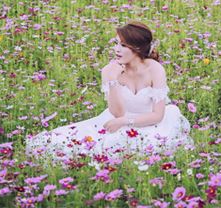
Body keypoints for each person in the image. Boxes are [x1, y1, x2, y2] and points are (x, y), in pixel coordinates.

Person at [25, 21, 192, 163]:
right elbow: (117, 113)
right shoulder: (109, 71)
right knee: (65, 143)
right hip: (116, 120)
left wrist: (126, 121)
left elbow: (157, 115)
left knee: (132, 147)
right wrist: (112, 81)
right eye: (116, 43)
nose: (116, 49)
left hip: (150, 123)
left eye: (123, 45)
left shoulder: (154, 69)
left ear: (137, 48)